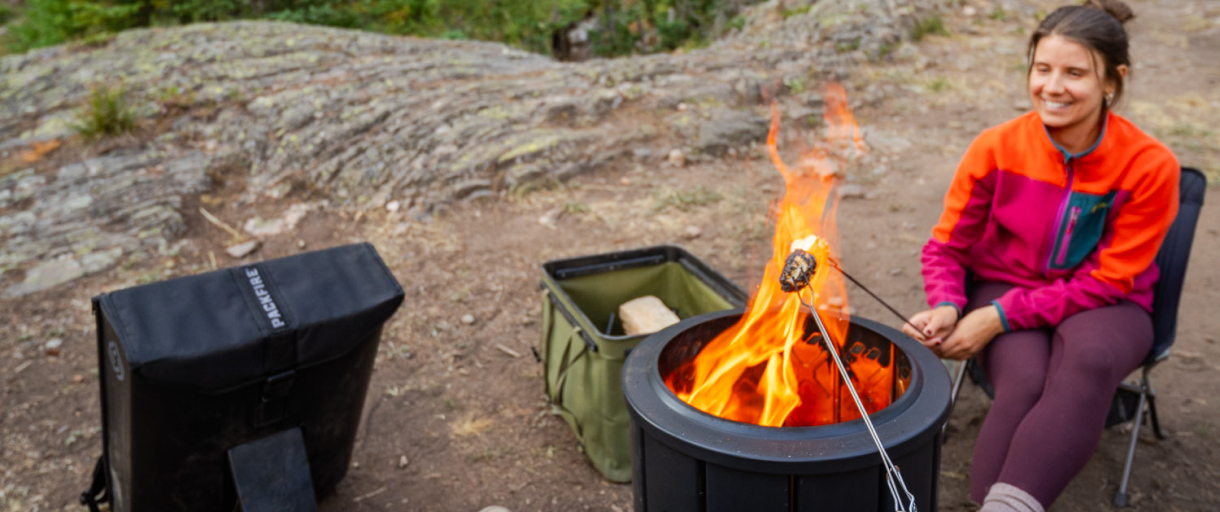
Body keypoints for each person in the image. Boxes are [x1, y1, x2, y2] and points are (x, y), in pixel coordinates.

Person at [899, 1, 1180, 511]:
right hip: (1004, 285)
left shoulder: (1150, 165)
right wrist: (947, 304)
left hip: (1108, 302)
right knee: (1025, 380)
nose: (1053, 86)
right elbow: (946, 246)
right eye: (1042, 68)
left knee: (1089, 360)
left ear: (1113, 82)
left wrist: (997, 318)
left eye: (1075, 73)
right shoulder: (997, 147)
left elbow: (1110, 280)